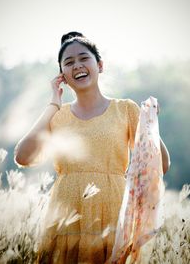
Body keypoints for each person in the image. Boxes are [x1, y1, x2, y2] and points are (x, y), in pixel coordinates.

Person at [14, 31, 170, 264]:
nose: (77, 65)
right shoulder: (58, 116)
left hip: (112, 214)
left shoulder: (125, 110)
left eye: (83, 58)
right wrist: (53, 103)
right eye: (69, 62)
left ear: (100, 65)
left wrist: (149, 126)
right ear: (62, 75)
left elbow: (161, 165)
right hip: (66, 216)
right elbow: (23, 157)